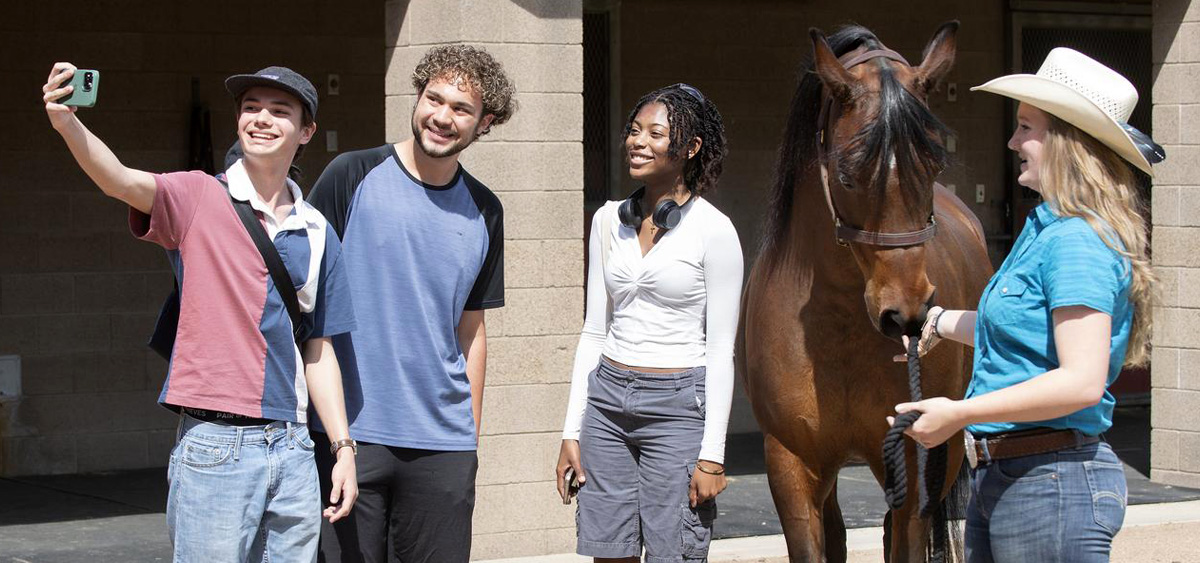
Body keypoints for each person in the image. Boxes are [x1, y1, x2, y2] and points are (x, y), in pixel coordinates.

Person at [42, 64, 360, 560]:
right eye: (251, 107)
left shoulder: (318, 230)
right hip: (216, 444)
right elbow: (119, 180)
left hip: (294, 446)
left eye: (280, 111)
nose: (262, 119)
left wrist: (342, 449)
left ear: (305, 132)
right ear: (237, 121)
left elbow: (318, 350)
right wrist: (67, 123)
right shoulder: (197, 195)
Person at [891, 48, 1163, 562]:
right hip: (1013, 477)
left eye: (1025, 127)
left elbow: (1080, 381)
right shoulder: (1045, 230)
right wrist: (937, 322)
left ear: (1066, 141)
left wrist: (959, 412)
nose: (1013, 141)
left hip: (1050, 482)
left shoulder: (1076, 241)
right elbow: (1018, 330)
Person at [305, 45, 514, 562]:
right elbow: (302, 303)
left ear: (483, 122)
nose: (442, 117)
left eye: (461, 109)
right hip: (348, 436)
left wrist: (469, 439)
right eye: (433, 99)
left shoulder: (485, 210)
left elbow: (472, 331)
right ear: (417, 97)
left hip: (443, 444)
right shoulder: (350, 175)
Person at [556, 83, 742, 562]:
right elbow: (594, 330)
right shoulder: (606, 221)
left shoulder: (714, 230)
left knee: (673, 553)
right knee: (608, 551)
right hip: (607, 404)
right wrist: (571, 428)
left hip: (678, 405)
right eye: (634, 131)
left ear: (690, 148)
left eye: (655, 133)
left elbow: (721, 349)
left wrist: (712, 454)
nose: (637, 141)